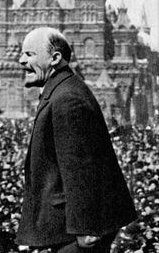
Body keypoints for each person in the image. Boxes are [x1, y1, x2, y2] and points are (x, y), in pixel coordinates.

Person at [16, 27, 137, 252]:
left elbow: (81, 166)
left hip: (75, 233)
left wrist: (86, 227)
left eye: (29, 54)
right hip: (64, 228)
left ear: (55, 58)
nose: (21, 60)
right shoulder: (62, 90)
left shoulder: (67, 98)